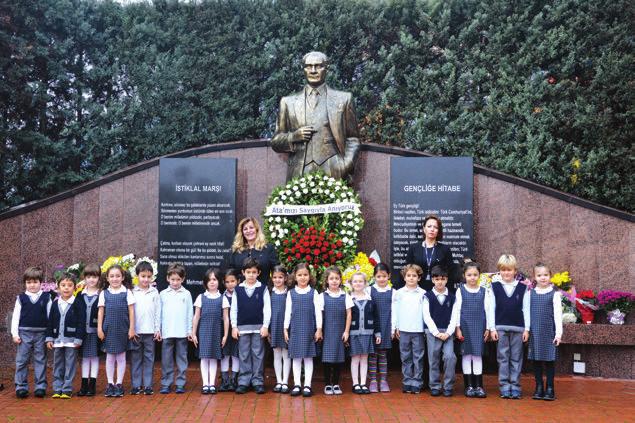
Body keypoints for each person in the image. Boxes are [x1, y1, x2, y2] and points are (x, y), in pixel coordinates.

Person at [271, 51, 360, 181]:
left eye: (318, 66)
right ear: (304, 69)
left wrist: (346, 164)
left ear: (326, 69)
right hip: (300, 171)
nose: (313, 70)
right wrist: (293, 137)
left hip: (334, 168)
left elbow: (353, 138)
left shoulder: (344, 99)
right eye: (309, 66)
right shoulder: (287, 102)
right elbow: (276, 141)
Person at [489, 254, 530, 399]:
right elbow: (491, 309)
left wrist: (527, 329)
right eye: (503, 270)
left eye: (509, 270)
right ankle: (504, 386)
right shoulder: (494, 287)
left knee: (516, 358)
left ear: (515, 271)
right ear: (499, 271)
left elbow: (526, 309)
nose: (506, 273)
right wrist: (492, 328)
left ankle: (515, 385)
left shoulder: (522, 288)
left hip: (518, 328)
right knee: (503, 358)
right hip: (500, 328)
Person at [230, 258, 271, 394]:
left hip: (259, 328)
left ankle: (257, 381)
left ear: (258, 273)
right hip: (242, 328)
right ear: (243, 273)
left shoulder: (263, 288)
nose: (251, 275)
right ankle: (244, 381)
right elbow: (234, 309)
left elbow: (267, 309)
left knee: (258, 354)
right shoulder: (238, 289)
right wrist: (234, 326)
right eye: (248, 272)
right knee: (244, 354)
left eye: (254, 272)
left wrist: (265, 326)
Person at [12, 266, 51, 399]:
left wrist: (50, 335)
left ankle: (40, 386)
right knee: (22, 360)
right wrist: (15, 334)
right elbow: (16, 317)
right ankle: (21, 387)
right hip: (24, 334)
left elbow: (50, 316)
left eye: (35, 282)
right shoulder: (21, 298)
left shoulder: (46, 297)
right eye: (29, 282)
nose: (32, 285)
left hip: (41, 333)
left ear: (41, 283)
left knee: (40, 360)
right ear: (25, 283)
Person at [284, 263, 322, 397]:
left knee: (308, 358)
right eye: (299, 275)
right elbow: (288, 312)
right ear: (295, 277)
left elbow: (318, 312)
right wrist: (285, 328)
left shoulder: (314, 292)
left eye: (305, 275)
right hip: (295, 329)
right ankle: (296, 384)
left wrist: (319, 329)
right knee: (296, 358)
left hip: (309, 329)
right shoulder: (291, 293)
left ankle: (307, 385)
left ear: (309, 276)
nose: (302, 278)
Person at [454, 261, 492, 398]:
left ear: (479, 276)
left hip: (479, 326)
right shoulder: (460, 290)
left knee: (477, 355)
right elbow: (457, 310)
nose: (472, 277)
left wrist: (488, 327)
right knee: (466, 355)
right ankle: (469, 385)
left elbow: (488, 310)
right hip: (465, 326)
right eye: (469, 275)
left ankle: (478, 385)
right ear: (464, 275)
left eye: (475, 275)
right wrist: (457, 328)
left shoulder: (484, 291)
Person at [97, 264, 135, 397]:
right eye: (112, 276)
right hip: (109, 329)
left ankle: (119, 383)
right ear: (107, 278)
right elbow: (101, 312)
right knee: (110, 356)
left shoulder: (127, 292)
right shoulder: (104, 293)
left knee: (121, 357)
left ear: (123, 277)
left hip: (123, 329)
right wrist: (99, 329)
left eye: (118, 276)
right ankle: (110, 383)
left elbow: (131, 311)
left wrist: (132, 328)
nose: (115, 279)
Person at [46, 272, 85, 399]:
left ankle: (67, 388)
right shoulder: (55, 304)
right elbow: (50, 322)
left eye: (69, 285)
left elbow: (81, 321)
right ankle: (57, 388)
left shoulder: (78, 303)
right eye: (63, 285)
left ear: (74, 288)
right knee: (57, 364)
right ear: (58, 288)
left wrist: (79, 338)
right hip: (57, 340)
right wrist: (49, 338)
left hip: (72, 341)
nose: (66, 288)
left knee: (70, 364)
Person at [191, 268, 230, 395]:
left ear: (219, 281)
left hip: (216, 331)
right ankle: (205, 384)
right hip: (203, 331)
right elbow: (196, 316)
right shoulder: (201, 297)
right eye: (209, 280)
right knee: (204, 357)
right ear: (205, 282)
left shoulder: (222, 298)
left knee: (213, 358)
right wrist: (193, 332)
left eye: (214, 279)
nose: (212, 282)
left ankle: (212, 384)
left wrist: (225, 335)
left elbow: (225, 318)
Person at [528, 263, 562, 401]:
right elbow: (527, 313)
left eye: (545, 275)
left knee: (549, 361)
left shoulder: (554, 294)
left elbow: (558, 315)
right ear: (534, 277)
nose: (543, 278)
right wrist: (527, 330)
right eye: (539, 275)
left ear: (550, 276)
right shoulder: (530, 293)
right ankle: (539, 386)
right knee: (536, 360)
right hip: (535, 332)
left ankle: (550, 388)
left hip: (549, 332)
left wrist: (558, 334)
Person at [423, 266, 458, 397]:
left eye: (442, 279)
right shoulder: (427, 296)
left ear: (447, 280)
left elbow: (454, 317)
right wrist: (436, 332)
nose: (440, 282)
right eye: (437, 279)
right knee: (433, 358)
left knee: (450, 357)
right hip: (433, 332)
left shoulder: (452, 297)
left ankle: (448, 385)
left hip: (448, 333)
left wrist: (448, 333)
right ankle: (435, 385)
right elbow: (426, 316)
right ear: (432, 280)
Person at [159, 263, 193, 394]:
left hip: (182, 332)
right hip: (167, 332)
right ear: (168, 278)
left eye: (178, 279)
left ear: (183, 279)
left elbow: (190, 312)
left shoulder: (187, 294)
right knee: (166, 359)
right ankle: (166, 383)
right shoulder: (162, 294)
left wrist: (189, 330)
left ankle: (180, 383)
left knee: (182, 359)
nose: (175, 282)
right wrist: (159, 329)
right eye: (172, 279)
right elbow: (159, 313)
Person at [392, 264, 426, 394]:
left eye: (414, 276)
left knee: (418, 357)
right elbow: (395, 311)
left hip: (418, 330)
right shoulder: (399, 293)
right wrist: (395, 327)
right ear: (404, 277)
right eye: (409, 276)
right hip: (404, 329)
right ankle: (407, 381)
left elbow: (425, 313)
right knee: (406, 357)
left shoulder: (423, 293)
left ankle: (417, 382)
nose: (411, 278)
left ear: (419, 278)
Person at [129, 261, 161, 395]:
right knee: (136, 359)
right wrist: (131, 329)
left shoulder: (155, 292)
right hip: (136, 331)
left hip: (150, 332)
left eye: (148, 276)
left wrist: (157, 329)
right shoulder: (132, 292)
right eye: (143, 276)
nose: (145, 279)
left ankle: (148, 385)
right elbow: (130, 312)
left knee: (149, 358)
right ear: (137, 276)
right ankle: (136, 385)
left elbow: (158, 311)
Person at [320, 266, 352, 396]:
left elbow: (349, 314)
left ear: (340, 280)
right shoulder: (322, 296)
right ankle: (328, 383)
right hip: (327, 331)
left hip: (340, 331)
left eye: (337, 278)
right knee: (327, 359)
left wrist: (346, 331)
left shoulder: (345, 295)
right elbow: (320, 315)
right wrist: (320, 330)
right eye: (331, 278)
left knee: (339, 358)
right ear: (326, 280)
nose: (334, 281)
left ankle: (336, 383)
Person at [349, 272, 381, 395]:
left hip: (368, 333)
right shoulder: (349, 299)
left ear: (365, 283)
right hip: (354, 334)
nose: (358, 283)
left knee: (364, 358)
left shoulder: (370, 300)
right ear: (351, 284)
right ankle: (355, 384)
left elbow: (376, 318)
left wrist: (377, 334)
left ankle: (363, 383)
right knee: (355, 358)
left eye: (360, 281)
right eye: (355, 281)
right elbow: (345, 317)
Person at [405, 215, 456, 291]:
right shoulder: (414, 248)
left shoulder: (445, 249)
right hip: (416, 289)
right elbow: (407, 270)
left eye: (435, 227)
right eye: (429, 226)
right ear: (424, 229)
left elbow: (450, 273)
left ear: (438, 231)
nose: (432, 229)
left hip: (438, 290)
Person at [225, 217, 278, 286]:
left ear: (257, 229)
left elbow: (276, 270)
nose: (249, 231)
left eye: (251, 227)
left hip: (263, 290)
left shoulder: (268, 248)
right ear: (242, 232)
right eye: (245, 229)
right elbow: (231, 272)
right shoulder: (237, 250)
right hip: (241, 291)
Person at [368, 263, 395, 393]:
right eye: (378, 276)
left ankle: (383, 380)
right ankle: (373, 380)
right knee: (372, 354)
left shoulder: (392, 292)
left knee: (383, 354)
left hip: (386, 325)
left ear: (389, 276)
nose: (381, 279)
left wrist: (393, 329)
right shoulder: (369, 290)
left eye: (384, 276)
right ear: (374, 277)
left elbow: (395, 311)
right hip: (372, 326)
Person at [75, 264, 101, 397]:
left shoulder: (102, 294)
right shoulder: (80, 295)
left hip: (95, 332)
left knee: (94, 357)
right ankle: (84, 384)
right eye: (89, 277)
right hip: (83, 333)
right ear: (84, 278)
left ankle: (92, 385)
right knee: (85, 358)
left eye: (94, 277)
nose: (91, 280)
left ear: (99, 278)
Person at [269, 265, 291, 394]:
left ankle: (285, 381)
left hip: (286, 327)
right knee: (277, 354)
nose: (277, 280)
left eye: (280, 277)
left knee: (286, 354)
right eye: (275, 277)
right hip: (274, 326)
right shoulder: (270, 292)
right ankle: (278, 381)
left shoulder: (289, 292)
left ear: (285, 278)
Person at [219, 268, 240, 392]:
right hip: (225, 330)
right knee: (225, 354)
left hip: (237, 329)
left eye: (232, 281)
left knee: (236, 354)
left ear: (237, 281)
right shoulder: (222, 297)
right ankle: (225, 379)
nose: (230, 284)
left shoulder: (240, 295)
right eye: (227, 282)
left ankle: (234, 379)